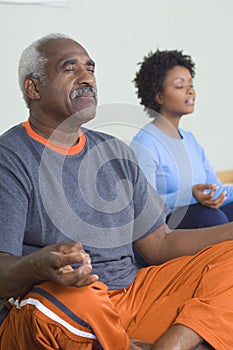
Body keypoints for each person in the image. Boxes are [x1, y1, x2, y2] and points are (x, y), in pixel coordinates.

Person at [1, 34, 233, 350]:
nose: (87, 79)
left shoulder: (114, 151)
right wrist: (40, 265)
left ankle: (172, 343)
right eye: (70, 69)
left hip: (133, 296)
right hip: (70, 305)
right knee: (53, 305)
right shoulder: (10, 157)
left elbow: (160, 245)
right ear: (34, 88)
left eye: (90, 69)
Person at [130, 49, 233, 229]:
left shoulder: (190, 140)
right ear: (159, 96)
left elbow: (217, 191)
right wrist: (191, 195)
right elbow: (144, 205)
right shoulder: (145, 143)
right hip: (164, 229)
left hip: (203, 217)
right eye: (180, 86)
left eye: (191, 85)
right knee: (212, 218)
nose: (190, 91)